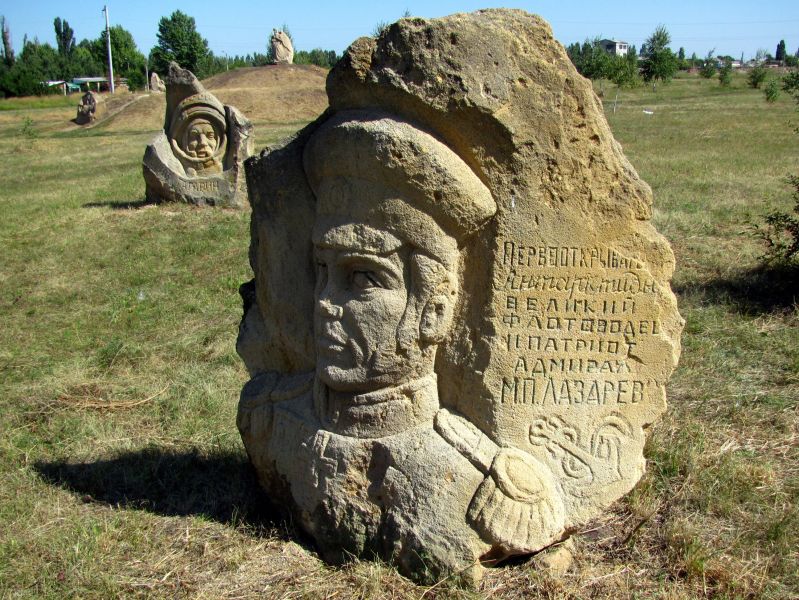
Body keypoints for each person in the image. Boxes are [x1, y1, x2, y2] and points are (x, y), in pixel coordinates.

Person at [238, 111, 564, 582]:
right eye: (322, 272)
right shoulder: (269, 417)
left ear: (433, 308)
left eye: (362, 278)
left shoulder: (486, 485)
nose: (326, 303)